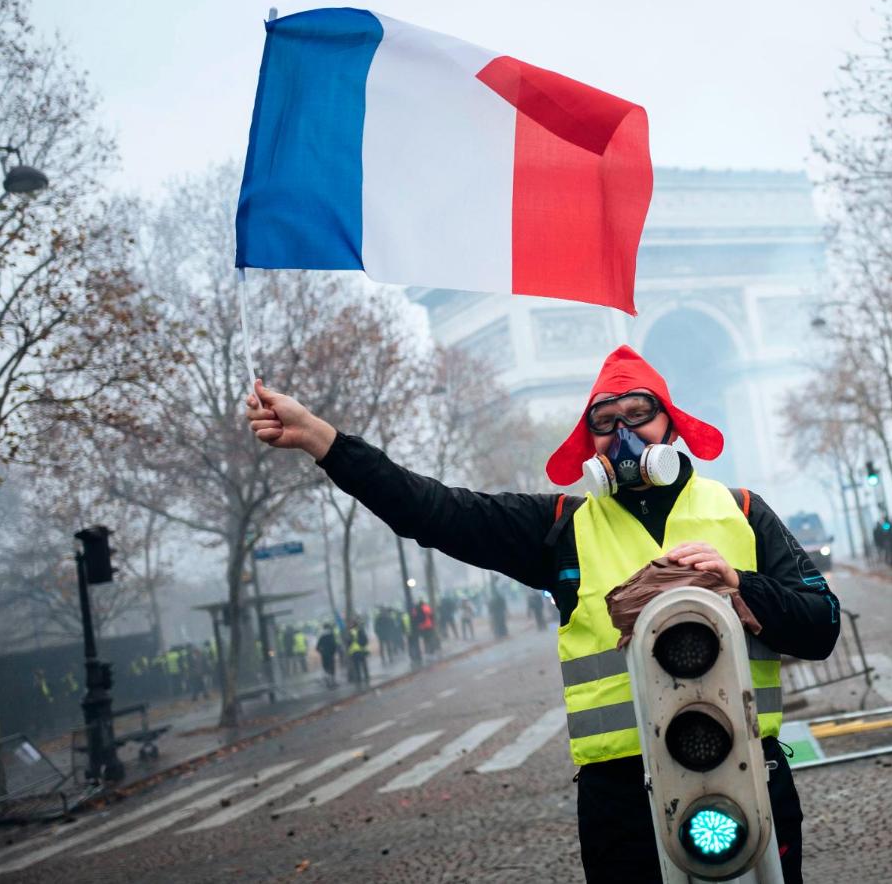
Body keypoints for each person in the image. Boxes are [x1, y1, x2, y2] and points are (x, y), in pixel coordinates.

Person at [246, 344, 838, 884]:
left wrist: (743, 588)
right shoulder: (561, 527)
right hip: (622, 800)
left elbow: (822, 624)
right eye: (603, 423)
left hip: (747, 773)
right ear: (589, 445)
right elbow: (431, 511)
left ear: (672, 424)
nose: (623, 434)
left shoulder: (741, 510)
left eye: (638, 413)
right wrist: (323, 440)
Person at [316, 623, 339, 688]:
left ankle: (328, 682)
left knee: (326, 668)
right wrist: (333, 652)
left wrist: (322, 652)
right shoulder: (331, 635)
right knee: (332, 668)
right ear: (329, 628)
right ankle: (333, 682)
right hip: (330, 655)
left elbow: (317, 647)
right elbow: (334, 645)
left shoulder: (321, 636)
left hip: (324, 655)